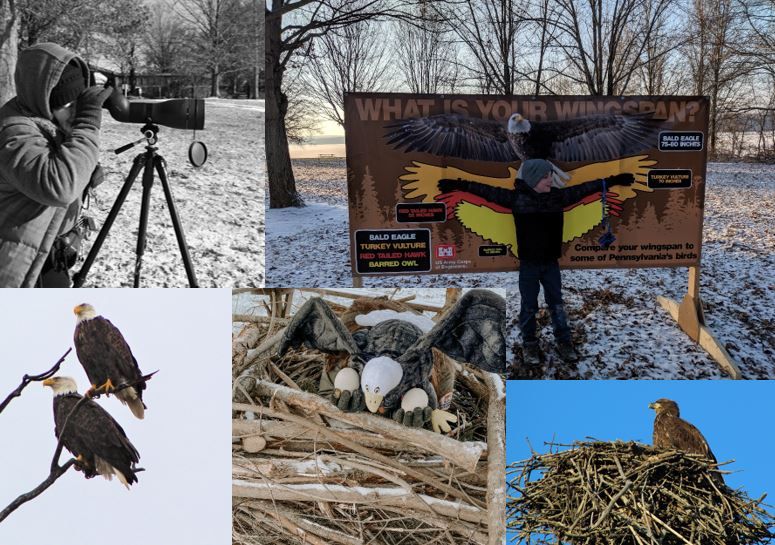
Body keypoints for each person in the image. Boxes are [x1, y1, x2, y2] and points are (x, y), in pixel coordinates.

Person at [438, 159, 634, 365]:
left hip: (551, 263)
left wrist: (613, 180)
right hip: (528, 265)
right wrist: (457, 184)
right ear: (533, 179)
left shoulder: (558, 197)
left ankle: (564, 341)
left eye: (550, 176)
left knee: (556, 304)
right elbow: (485, 191)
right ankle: (530, 344)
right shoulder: (517, 198)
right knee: (529, 305)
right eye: (545, 177)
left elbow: (585, 188)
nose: (550, 180)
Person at [0, 42, 112, 287]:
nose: (75, 113)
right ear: (42, 98)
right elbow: (59, 187)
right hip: (20, 267)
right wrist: (88, 124)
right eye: (66, 105)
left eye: (79, 103)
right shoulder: (13, 132)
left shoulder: (45, 122)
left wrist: (84, 171)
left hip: (48, 252)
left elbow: (59, 168)